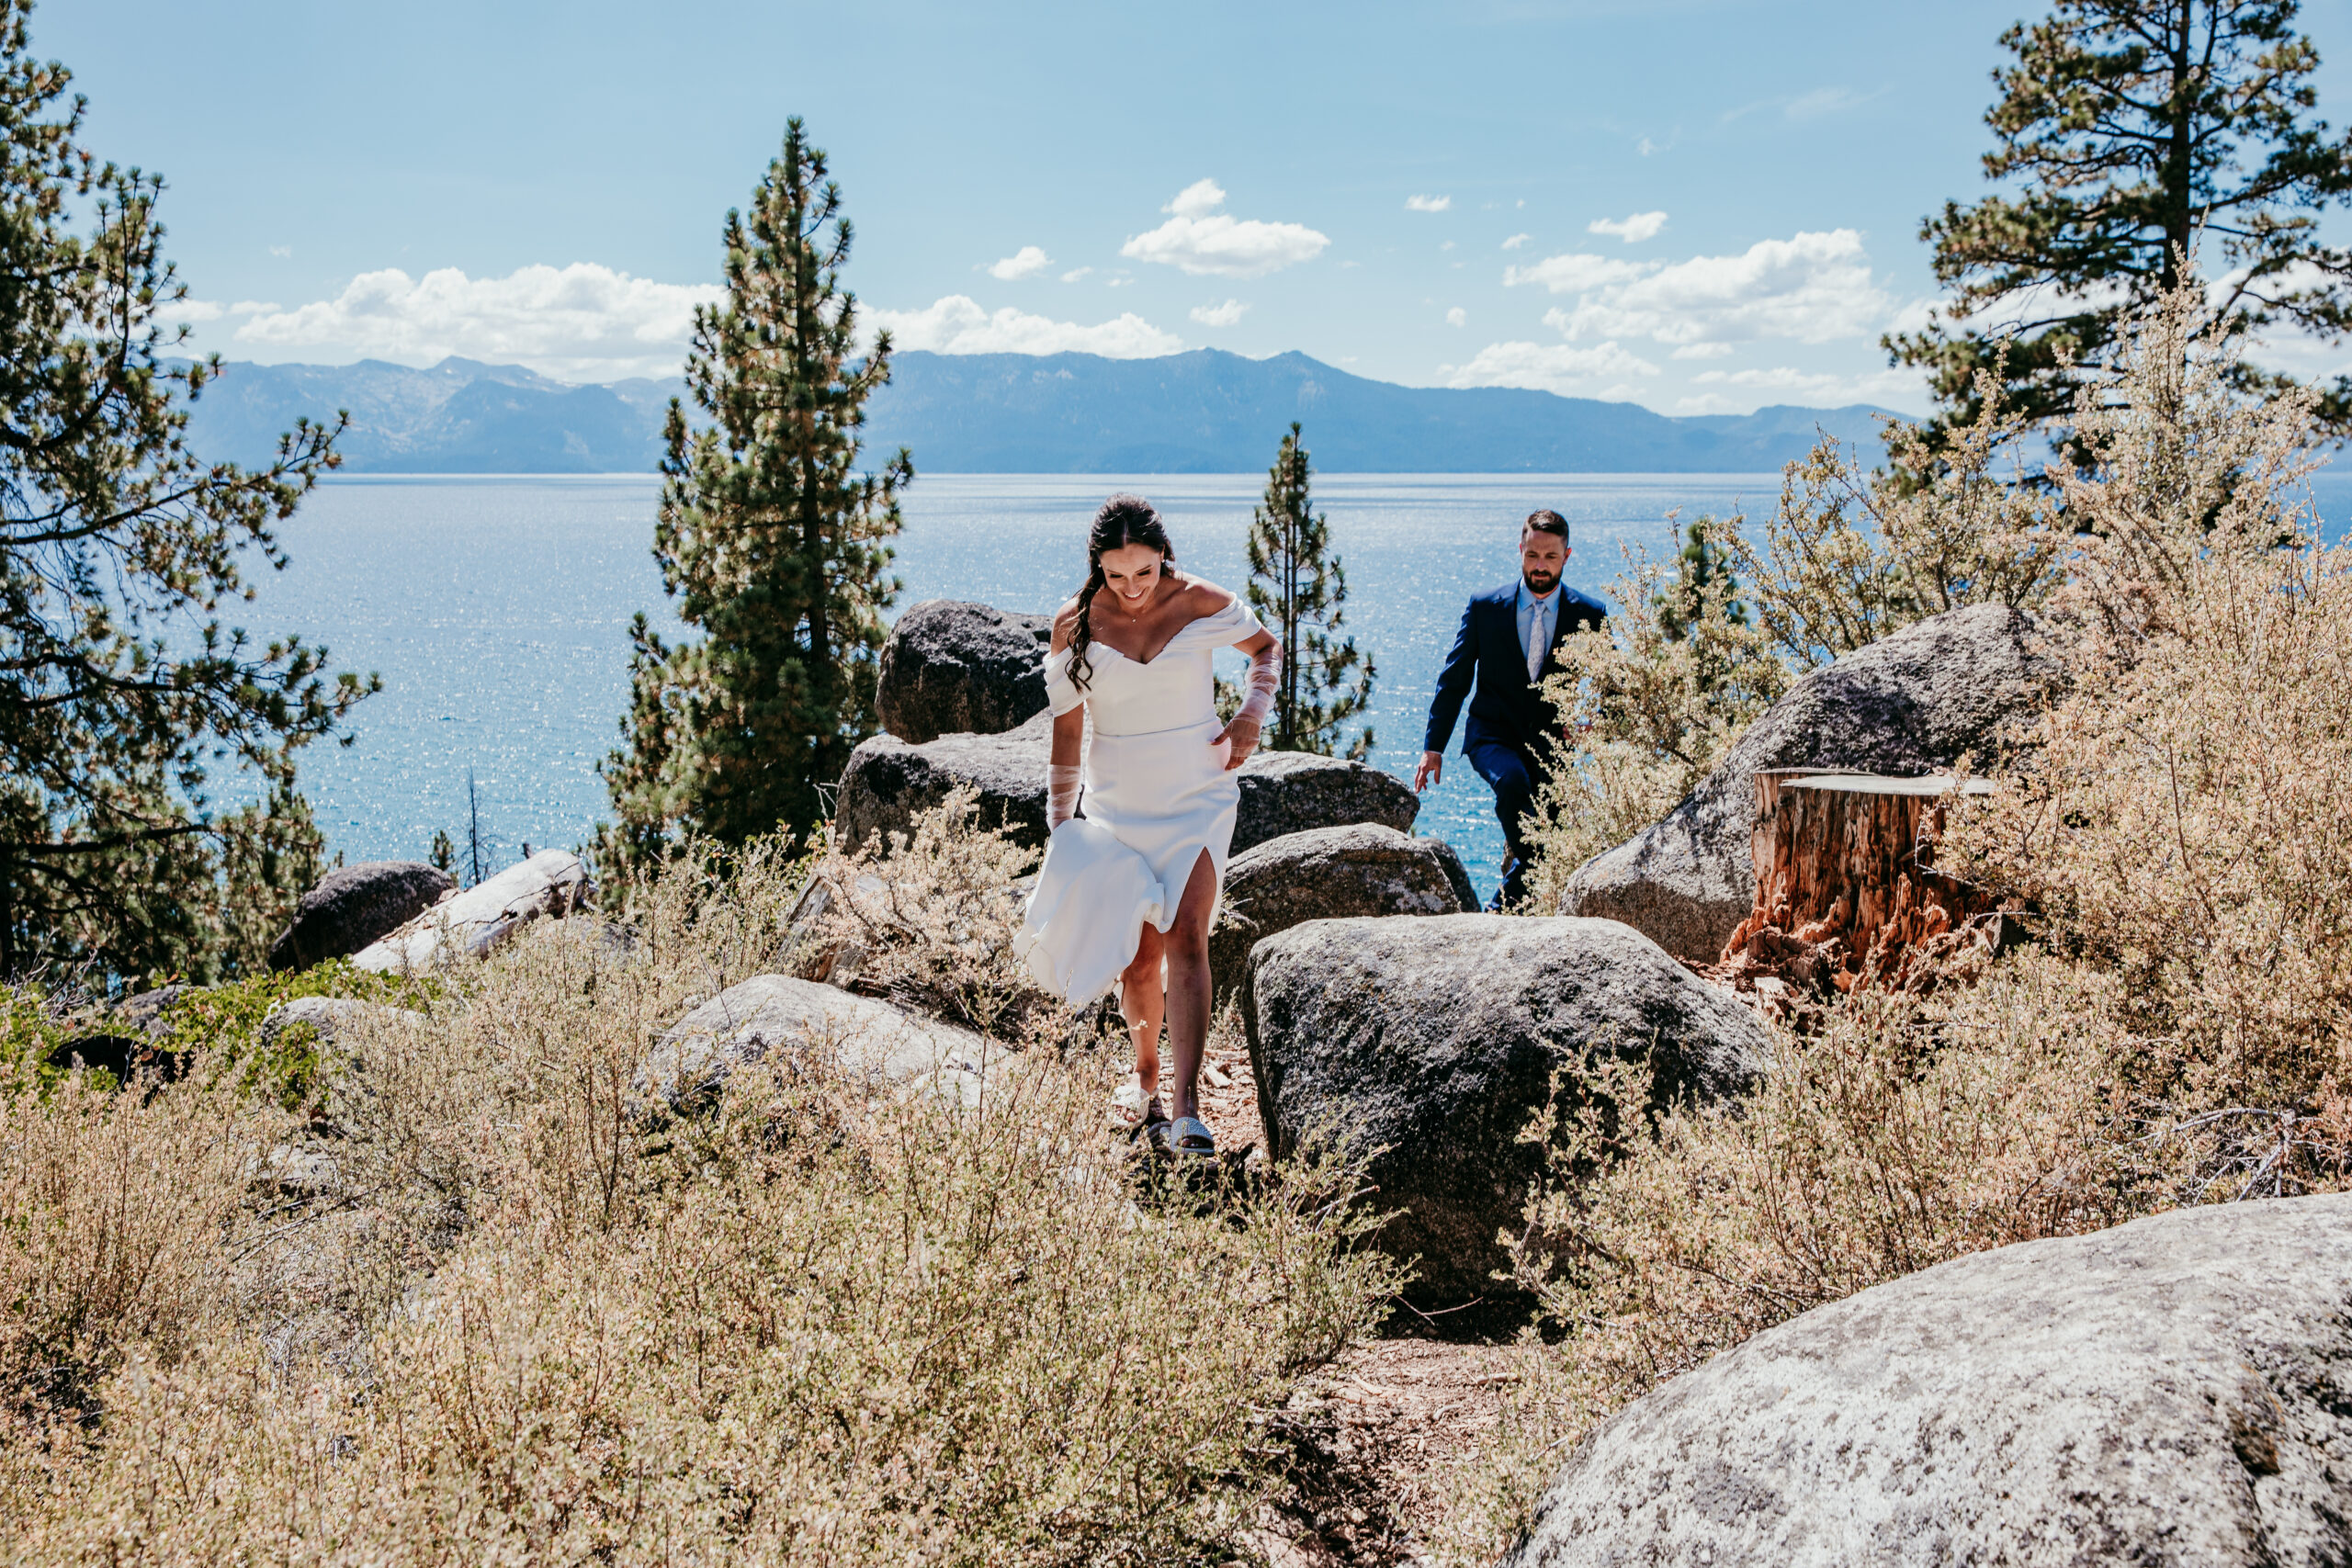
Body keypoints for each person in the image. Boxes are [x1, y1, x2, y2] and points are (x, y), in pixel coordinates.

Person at [1015, 494, 1280, 1157]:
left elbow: (1266, 649)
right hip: (1116, 804)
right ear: (1096, 569)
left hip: (1197, 792)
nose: (1132, 589)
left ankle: (1189, 1110)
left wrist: (1251, 711)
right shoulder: (1073, 624)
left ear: (1164, 556)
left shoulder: (1198, 601)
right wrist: (1060, 829)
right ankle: (1147, 1083)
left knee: (1188, 933)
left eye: (1144, 571)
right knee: (1139, 958)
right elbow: (1068, 732)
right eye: (1116, 575)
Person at [1415, 509, 1605, 909]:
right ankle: (1502, 909)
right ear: (1521, 549)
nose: (1540, 566)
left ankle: (1500, 910)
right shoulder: (1486, 607)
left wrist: (1594, 726)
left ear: (1567, 556)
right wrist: (1434, 747)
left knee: (1550, 840)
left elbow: (1616, 687)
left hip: (1553, 748)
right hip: (1491, 735)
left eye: (1550, 557)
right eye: (1533, 555)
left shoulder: (1589, 615)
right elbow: (1455, 679)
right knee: (1513, 784)